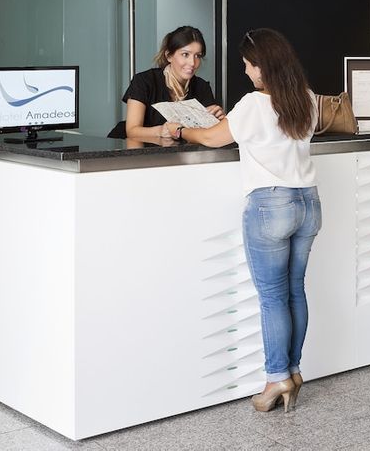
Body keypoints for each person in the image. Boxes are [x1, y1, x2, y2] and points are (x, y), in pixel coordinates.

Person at [165, 28, 321, 413]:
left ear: (262, 66)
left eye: (249, 65)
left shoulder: (253, 103)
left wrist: (181, 129)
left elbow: (213, 139)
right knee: (295, 290)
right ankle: (293, 371)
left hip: (271, 205)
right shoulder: (306, 98)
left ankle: (276, 377)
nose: (247, 72)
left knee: (272, 297)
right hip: (308, 203)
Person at [107, 25, 224, 139]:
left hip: (175, 150)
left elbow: (209, 135)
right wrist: (162, 131)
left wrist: (219, 121)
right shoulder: (144, 81)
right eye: (185, 54)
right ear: (169, 56)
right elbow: (132, 131)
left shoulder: (202, 87)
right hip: (130, 147)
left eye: (198, 56)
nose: (192, 63)